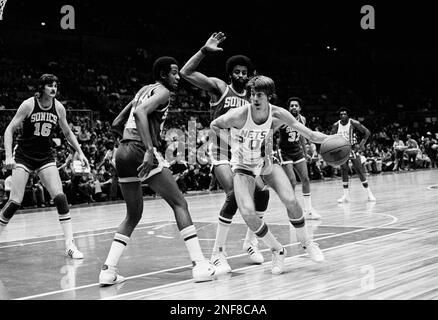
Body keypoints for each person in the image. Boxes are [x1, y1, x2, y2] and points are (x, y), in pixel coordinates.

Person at [98, 56, 215, 286]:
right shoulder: (162, 92)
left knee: (133, 214)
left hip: (122, 151)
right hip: (140, 148)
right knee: (180, 203)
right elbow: (141, 113)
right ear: (163, 75)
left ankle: (107, 270)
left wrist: (129, 143)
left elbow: (115, 123)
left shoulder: (142, 90)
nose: (178, 77)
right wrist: (148, 149)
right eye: (173, 72)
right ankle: (200, 265)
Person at [211, 75, 327, 275]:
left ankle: (307, 242)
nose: (255, 98)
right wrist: (233, 143)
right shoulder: (238, 115)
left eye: (260, 95)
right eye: (253, 94)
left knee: (290, 199)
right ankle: (277, 250)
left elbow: (311, 135)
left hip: (266, 163)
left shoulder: (278, 114)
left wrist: (336, 139)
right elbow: (215, 124)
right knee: (247, 212)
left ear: (269, 96)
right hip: (243, 166)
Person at [181, 32, 269, 274]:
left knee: (262, 194)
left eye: (244, 72)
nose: (240, 75)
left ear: (250, 75)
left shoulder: (255, 99)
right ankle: (217, 253)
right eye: (237, 72)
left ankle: (250, 242)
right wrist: (204, 50)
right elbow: (185, 74)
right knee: (233, 194)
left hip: (246, 154)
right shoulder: (220, 88)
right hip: (220, 150)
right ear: (231, 73)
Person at [0, 74, 88, 259]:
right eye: (49, 85)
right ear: (42, 88)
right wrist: (8, 156)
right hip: (24, 156)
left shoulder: (59, 107)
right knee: (15, 201)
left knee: (61, 197)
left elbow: (67, 132)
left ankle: (70, 245)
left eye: (55, 85)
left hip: (45, 156)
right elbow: (9, 129)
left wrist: (80, 152)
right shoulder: (29, 104)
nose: (53, 88)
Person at [277, 97, 321, 219]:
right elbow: (274, 135)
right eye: (291, 106)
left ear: (300, 108)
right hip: (285, 152)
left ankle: (308, 211)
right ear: (288, 108)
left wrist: (305, 151)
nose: (294, 107)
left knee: (305, 179)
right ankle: (291, 210)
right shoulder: (282, 119)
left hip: (297, 152)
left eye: (296, 105)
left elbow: (302, 136)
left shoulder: (303, 119)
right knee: (291, 181)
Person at [330, 107, 376, 203]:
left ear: (348, 115)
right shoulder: (336, 125)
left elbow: (367, 132)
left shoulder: (354, 123)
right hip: (342, 150)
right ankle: (346, 196)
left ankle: (369, 193)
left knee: (359, 170)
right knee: (344, 171)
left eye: (345, 114)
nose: (343, 115)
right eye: (341, 114)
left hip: (353, 149)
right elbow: (331, 138)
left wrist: (361, 144)